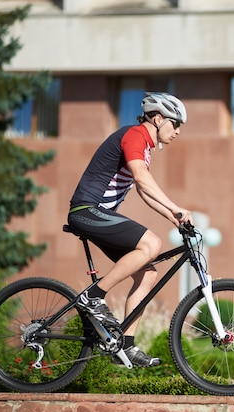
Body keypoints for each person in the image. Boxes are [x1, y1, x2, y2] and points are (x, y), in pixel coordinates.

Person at [67, 92, 193, 367]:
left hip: (98, 214)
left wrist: (173, 215)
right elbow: (141, 178)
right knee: (151, 245)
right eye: (176, 123)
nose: (179, 131)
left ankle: (125, 346)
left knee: (148, 274)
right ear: (158, 119)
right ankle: (93, 296)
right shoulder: (134, 135)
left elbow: (143, 191)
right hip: (86, 211)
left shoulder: (145, 145)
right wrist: (175, 206)